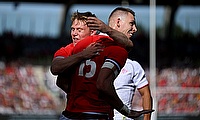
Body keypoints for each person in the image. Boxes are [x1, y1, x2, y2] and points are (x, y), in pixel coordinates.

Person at [51, 9, 154, 120]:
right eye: (73, 29)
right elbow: (103, 84)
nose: (74, 33)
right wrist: (83, 55)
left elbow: (61, 81)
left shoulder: (105, 47)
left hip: (74, 114)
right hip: (96, 114)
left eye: (79, 30)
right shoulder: (71, 50)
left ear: (93, 32)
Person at [86, 7, 153, 120]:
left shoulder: (132, 65)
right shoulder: (91, 48)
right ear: (118, 22)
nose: (135, 29)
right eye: (131, 24)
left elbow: (146, 94)